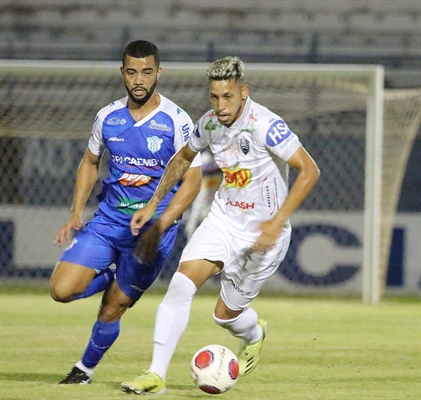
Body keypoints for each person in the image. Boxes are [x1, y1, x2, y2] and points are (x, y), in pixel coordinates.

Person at [121, 56, 320, 395]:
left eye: (227, 97)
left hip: (263, 236)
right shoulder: (208, 124)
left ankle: (254, 332)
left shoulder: (265, 124)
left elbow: (310, 170)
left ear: (244, 92)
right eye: (214, 97)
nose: (220, 105)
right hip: (223, 220)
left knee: (225, 316)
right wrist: (154, 203)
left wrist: (276, 222)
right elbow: (183, 157)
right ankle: (155, 374)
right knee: (180, 286)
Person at [50, 40, 202, 384]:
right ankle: (108, 273)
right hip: (109, 220)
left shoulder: (176, 121)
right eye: (132, 72)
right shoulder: (108, 116)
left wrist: (161, 219)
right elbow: (90, 162)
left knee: (113, 306)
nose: (139, 79)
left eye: (147, 72)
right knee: (61, 290)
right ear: (122, 73)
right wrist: (76, 212)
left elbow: (192, 181)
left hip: (151, 232)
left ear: (158, 73)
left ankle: (84, 370)